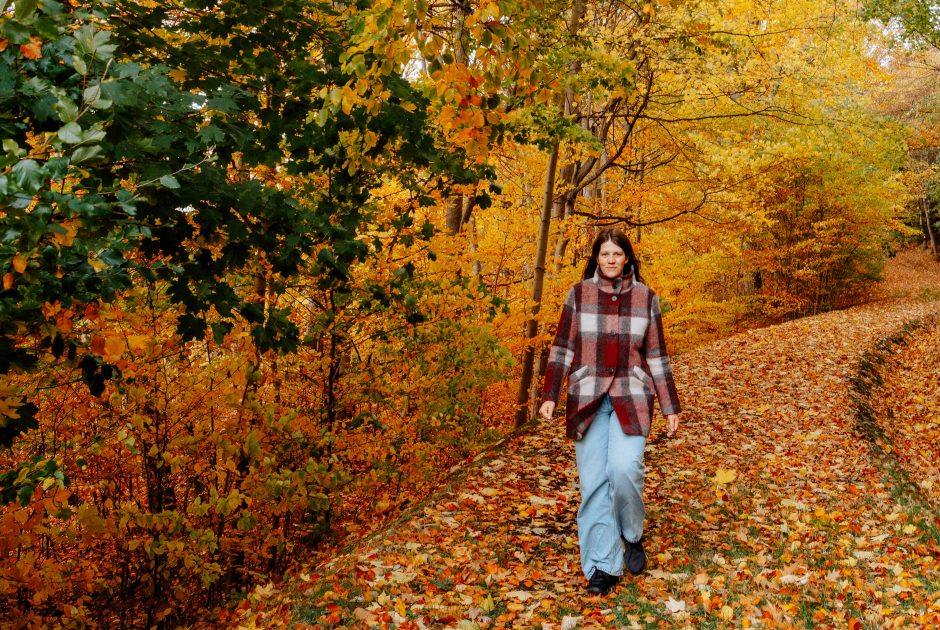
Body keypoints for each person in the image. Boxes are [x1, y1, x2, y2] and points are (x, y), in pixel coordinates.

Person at [538, 227, 681, 596]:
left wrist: (669, 407)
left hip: (631, 395)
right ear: (597, 258)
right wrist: (550, 394)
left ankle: (631, 533)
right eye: (605, 254)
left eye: (618, 254)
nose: (612, 260)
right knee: (594, 484)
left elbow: (657, 356)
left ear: (628, 258)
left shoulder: (646, 297)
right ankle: (602, 564)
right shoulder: (579, 294)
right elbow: (562, 347)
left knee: (624, 468)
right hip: (587, 396)